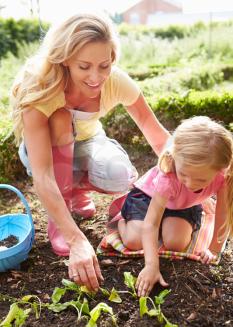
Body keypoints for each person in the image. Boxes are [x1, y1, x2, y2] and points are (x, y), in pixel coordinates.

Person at [10, 12, 170, 292]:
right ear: (65, 58)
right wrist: (76, 239)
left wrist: (185, 174)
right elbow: (44, 175)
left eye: (104, 65)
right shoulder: (39, 89)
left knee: (120, 174)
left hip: (86, 144)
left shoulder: (115, 82)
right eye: (84, 66)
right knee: (60, 118)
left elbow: (152, 129)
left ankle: (74, 191)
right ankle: (59, 223)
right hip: (42, 155)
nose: (96, 77)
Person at [118, 116, 233, 297]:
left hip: (182, 204)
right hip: (148, 199)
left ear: (220, 170)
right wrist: (151, 266)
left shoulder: (223, 176)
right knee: (134, 240)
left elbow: (223, 214)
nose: (190, 183)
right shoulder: (169, 176)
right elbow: (151, 223)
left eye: (201, 180)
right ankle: (121, 221)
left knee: (176, 243)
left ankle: (169, 224)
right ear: (174, 160)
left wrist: (213, 249)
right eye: (184, 174)